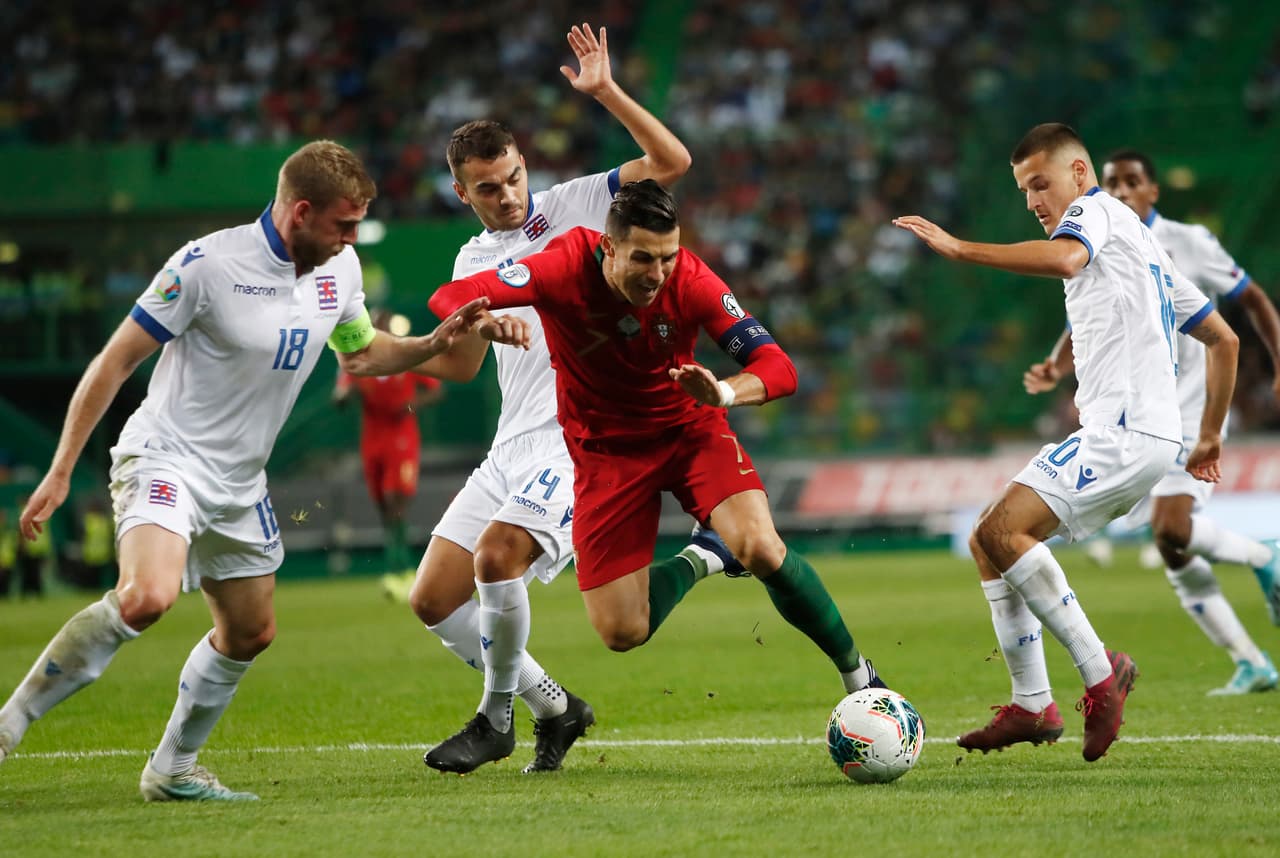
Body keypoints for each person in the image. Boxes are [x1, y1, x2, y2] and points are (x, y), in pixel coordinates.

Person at [0, 140, 493, 800]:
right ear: (301, 212)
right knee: (147, 596)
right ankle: (8, 725)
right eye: (343, 224)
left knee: (250, 631)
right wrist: (62, 470)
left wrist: (430, 345)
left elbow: (360, 353)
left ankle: (172, 770)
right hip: (166, 455)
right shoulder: (206, 266)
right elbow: (114, 362)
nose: (352, 239)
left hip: (240, 482)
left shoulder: (340, 271)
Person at [427, 178, 888, 768]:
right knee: (622, 632)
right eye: (643, 258)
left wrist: (724, 391)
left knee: (762, 548)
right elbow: (451, 294)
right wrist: (484, 322)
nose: (658, 273)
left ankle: (861, 678)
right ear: (607, 248)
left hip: (689, 434)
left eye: (668, 257)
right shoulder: (560, 264)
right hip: (605, 457)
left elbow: (778, 366)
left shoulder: (691, 279)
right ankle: (702, 556)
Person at [399, 23, 707, 776]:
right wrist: (450, 335)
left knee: (498, 557)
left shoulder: (578, 204)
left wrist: (604, 91)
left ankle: (494, 719)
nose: (506, 196)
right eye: (487, 187)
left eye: (511, 177)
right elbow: (465, 366)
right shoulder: (471, 256)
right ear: (460, 191)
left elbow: (671, 162)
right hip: (512, 442)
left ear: (524, 167)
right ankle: (556, 708)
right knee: (433, 598)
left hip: (578, 436)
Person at [893, 123, 1240, 761]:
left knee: (1003, 532)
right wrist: (1209, 435)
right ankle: (1033, 705)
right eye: (1025, 189)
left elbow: (1065, 257)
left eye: (1040, 184)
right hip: (1142, 435)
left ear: (1080, 175)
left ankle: (1102, 675)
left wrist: (960, 249)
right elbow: (1224, 339)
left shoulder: (1096, 211)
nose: (1033, 201)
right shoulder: (1146, 249)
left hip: (1125, 432)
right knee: (986, 540)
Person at [1021, 147, 1280, 695]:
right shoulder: (1109, 237)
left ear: (1153, 191)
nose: (1121, 191)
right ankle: (1250, 660)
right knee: (1169, 544)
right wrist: (1056, 362)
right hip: (1140, 405)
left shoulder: (1189, 243)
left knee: (1170, 526)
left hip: (1187, 404)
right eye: (1112, 182)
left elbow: (1250, 300)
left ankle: (1264, 556)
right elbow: (1090, 310)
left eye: (1133, 182)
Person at [334, 308, 444, 575]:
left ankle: (400, 560)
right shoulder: (360, 364)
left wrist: (410, 405)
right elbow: (339, 397)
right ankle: (395, 550)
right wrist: (344, 395)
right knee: (381, 502)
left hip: (401, 435)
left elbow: (436, 390)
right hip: (372, 437)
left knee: (395, 496)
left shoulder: (403, 359)